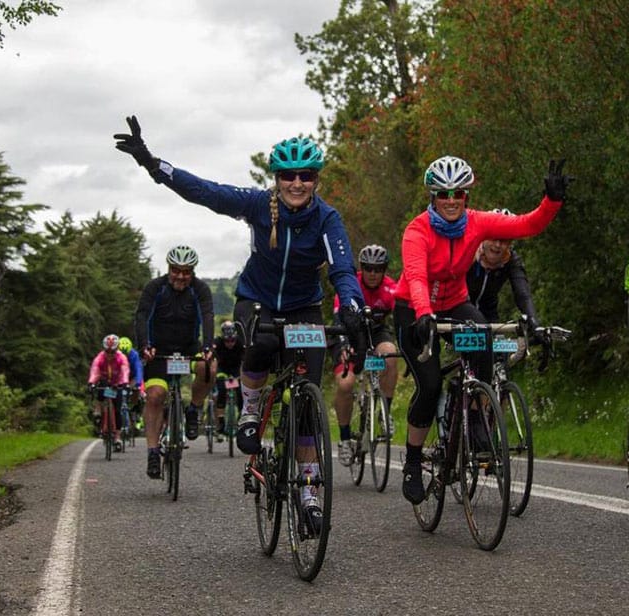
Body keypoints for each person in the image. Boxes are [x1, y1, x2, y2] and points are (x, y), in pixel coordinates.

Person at [115, 116, 366, 529]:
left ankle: (308, 491)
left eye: (306, 176)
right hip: (258, 300)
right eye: (288, 176)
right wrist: (151, 163)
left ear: (316, 180)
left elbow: (342, 269)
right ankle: (250, 409)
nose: (297, 184)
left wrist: (352, 305)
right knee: (263, 342)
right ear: (278, 178)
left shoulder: (327, 219)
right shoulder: (256, 205)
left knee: (305, 413)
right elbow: (205, 192)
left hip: (305, 307)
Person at [393, 156, 570, 505]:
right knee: (429, 386)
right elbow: (415, 276)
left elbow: (527, 225)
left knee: (483, 340)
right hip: (413, 309)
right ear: (433, 197)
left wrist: (552, 202)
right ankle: (413, 461)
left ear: (466, 196)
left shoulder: (477, 223)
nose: (451, 199)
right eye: (443, 193)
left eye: (457, 193)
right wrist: (425, 313)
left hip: (456, 302)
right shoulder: (417, 230)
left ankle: (475, 416)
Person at [133, 245, 216, 479]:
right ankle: (152, 452)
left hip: (188, 348)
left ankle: (194, 409)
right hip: (159, 351)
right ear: (168, 269)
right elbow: (141, 316)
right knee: (155, 396)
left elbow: (208, 316)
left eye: (186, 271)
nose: (180, 276)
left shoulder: (199, 290)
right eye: (176, 270)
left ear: (193, 271)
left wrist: (208, 345)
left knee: (208, 367)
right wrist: (144, 346)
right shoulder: (155, 288)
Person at [331, 244, 400, 466]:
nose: (373, 273)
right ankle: (343, 439)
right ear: (361, 268)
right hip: (348, 334)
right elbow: (337, 318)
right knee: (345, 384)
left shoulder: (391, 289)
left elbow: (403, 319)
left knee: (390, 355)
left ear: (384, 269)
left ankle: (384, 413)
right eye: (368, 268)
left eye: (378, 269)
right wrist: (343, 346)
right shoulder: (350, 285)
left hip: (376, 332)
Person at [466, 208, 541, 340]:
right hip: (458, 309)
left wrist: (533, 322)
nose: (497, 245)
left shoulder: (511, 260)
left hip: (488, 313)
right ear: (483, 236)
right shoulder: (469, 250)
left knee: (498, 352)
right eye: (493, 238)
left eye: (504, 240)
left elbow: (522, 294)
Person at [87, 334, 131, 449]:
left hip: (117, 383)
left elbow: (125, 370)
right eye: (108, 351)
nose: (110, 355)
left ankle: (117, 437)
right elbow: (95, 370)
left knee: (118, 410)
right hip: (104, 382)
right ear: (104, 349)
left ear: (116, 350)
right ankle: (98, 412)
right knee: (99, 392)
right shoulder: (100, 357)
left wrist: (125, 383)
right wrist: (91, 382)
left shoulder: (121, 357)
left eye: (113, 352)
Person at [212, 320, 244, 441]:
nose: (230, 344)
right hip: (222, 369)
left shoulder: (240, 343)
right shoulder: (218, 342)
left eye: (232, 341)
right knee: (221, 389)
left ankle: (242, 416)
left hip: (236, 370)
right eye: (227, 341)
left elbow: (244, 361)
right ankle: (220, 421)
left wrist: (242, 375)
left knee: (240, 390)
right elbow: (214, 361)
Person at [118, 335, 145, 434]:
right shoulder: (116, 354)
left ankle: (134, 407)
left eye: (127, 353)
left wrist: (138, 383)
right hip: (120, 377)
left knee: (136, 390)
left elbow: (138, 369)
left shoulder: (134, 354)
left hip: (132, 377)